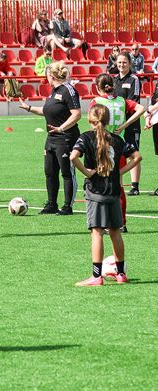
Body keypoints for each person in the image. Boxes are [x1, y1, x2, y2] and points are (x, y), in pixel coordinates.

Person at [69, 105, 140, 286]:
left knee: (97, 232)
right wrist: (119, 172)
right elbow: (137, 157)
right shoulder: (117, 139)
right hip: (114, 192)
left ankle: (96, 276)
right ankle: (121, 274)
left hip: (96, 192)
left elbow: (73, 157)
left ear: (90, 120)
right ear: (108, 120)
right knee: (115, 232)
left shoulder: (86, 137)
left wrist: (87, 172)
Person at [18, 62, 81, 215]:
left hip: (66, 137)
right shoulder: (53, 91)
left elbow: (77, 114)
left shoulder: (68, 90)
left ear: (51, 76)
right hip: (51, 138)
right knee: (50, 171)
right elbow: (46, 110)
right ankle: (51, 204)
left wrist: (61, 128)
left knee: (67, 172)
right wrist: (29, 108)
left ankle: (67, 206)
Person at [89, 73, 146, 232]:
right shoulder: (121, 101)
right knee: (118, 186)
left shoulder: (97, 102)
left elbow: (93, 124)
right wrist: (125, 124)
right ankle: (121, 223)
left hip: (103, 145)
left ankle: (106, 222)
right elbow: (141, 108)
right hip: (119, 145)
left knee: (102, 185)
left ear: (97, 87)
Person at [113, 53, 143, 196]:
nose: (122, 65)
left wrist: (124, 121)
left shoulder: (134, 79)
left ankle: (135, 186)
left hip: (131, 124)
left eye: (124, 62)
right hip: (116, 124)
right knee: (117, 154)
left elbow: (133, 102)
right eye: (119, 62)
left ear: (130, 63)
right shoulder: (113, 80)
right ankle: (117, 183)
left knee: (132, 154)